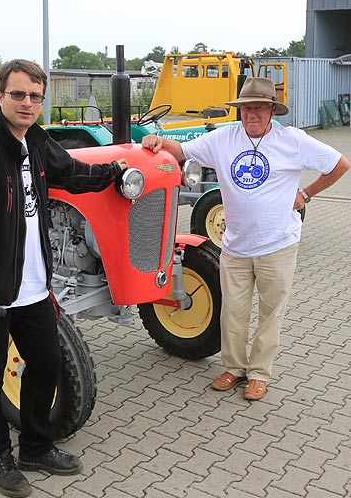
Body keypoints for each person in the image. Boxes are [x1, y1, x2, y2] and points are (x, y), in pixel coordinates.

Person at [0, 59, 128, 498]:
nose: (28, 103)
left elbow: (71, 172)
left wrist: (114, 171)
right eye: (19, 94)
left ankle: (35, 445)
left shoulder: (36, 139)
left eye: (36, 96)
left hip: (33, 285)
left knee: (48, 364)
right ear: (0, 95)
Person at [142, 77, 350, 401]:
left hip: (278, 245)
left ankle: (259, 374)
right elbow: (182, 151)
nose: (252, 114)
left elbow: (340, 164)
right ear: (240, 110)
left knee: (271, 312)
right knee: (232, 312)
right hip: (235, 246)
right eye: (247, 108)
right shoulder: (223, 139)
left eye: (259, 108)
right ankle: (234, 368)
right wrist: (156, 141)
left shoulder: (292, 140)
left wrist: (306, 193)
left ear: (271, 111)